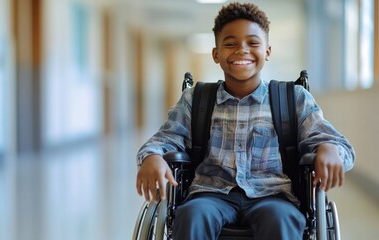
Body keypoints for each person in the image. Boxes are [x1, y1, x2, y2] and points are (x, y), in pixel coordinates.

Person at [135, 2, 355, 239]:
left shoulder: (293, 99)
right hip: (210, 193)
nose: (242, 50)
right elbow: (165, 138)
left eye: (253, 43)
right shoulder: (196, 100)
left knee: (282, 219)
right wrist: (152, 157)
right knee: (191, 215)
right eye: (230, 43)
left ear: (267, 51)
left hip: (272, 195)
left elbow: (339, 145)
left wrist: (329, 148)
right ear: (216, 54)